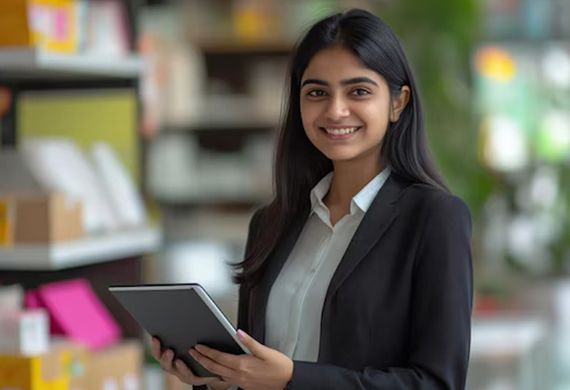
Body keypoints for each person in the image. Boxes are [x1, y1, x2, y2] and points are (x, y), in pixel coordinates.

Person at [151, 8, 473, 390]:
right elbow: (256, 371)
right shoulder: (272, 222)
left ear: (397, 102)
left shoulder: (434, 218)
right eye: (317, 92)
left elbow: (437, 383)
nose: (335, 110)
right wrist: (216, 377)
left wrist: (293, 378)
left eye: (359, 91)